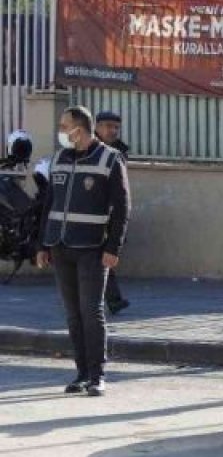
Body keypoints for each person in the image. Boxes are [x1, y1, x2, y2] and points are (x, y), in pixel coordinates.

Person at [33, 106, 131, 397]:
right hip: (61, 246)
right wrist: (42, 244)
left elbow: (123, 207)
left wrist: (114, 246)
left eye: (65, 126)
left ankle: (98, 375)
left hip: (92, 248)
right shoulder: (60, 158)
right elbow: (48, 203)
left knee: (92, 312)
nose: (61, 131)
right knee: (73, 314)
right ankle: (81, 373)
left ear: (80, 128)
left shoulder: (110, 159)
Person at [94, 111, 130, 316]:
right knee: (101, 256)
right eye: (108, 126)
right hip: (92, 211)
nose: (113, 130)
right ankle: (112, 299)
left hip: (112, 212)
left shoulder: (119, 150)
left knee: (106, 255)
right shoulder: (89, 149)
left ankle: (111, 299)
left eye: (116, 127)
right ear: (97, 127)